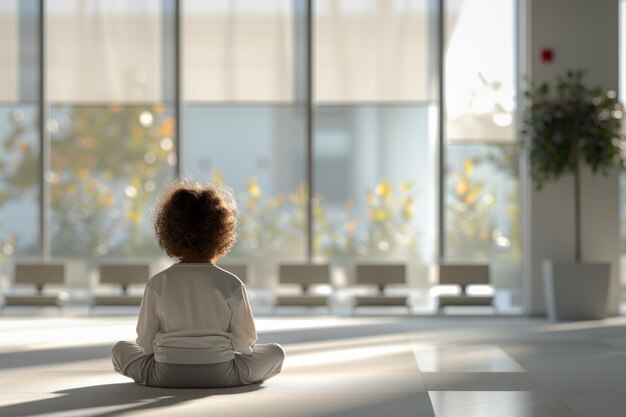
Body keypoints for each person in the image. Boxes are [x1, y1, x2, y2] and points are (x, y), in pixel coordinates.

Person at [111, 179, 284, 388]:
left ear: (168, 231)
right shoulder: (231, 284)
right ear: (221, 233)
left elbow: (145, 345)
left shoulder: (158, 283)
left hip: (164, 375)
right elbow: (245, 345)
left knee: (120, 349)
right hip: (223, 375)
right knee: (276, 352)